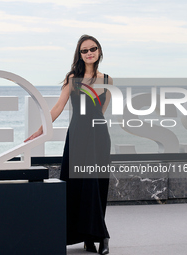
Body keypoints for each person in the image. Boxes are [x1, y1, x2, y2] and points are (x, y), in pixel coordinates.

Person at [25, 34, 112, 254]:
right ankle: (86, 237)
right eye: (84, 50)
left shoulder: (108, 80)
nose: (89, 53)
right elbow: (58, 107)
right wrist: (41, 128)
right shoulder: (73, 78)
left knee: (97, 186)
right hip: (78, 137)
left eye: (93, 49)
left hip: (99, 137)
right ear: (79, 54)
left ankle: (100, 236)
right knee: (77, 186)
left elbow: (101, 110)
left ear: (99, 51)